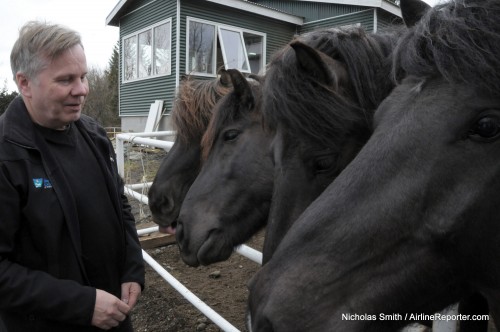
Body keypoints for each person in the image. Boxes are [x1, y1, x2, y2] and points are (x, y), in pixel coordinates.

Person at [0, 21, 145, 331]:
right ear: (25, 83)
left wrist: (133, 269)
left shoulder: (94, 135)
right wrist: (82, 305)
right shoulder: (6, 155)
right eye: (66, 80)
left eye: (83, 77)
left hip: (114, 317)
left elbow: (119, 205)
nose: (81, 90)